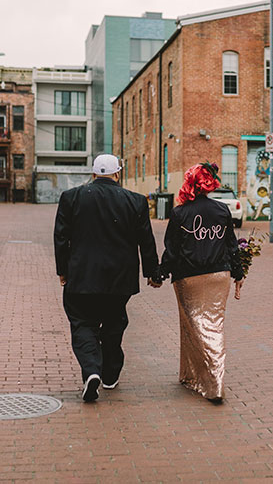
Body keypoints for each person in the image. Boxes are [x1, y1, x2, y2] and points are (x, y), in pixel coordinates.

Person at [54, 153, 162, 402]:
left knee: (83, 323)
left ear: (93, 174)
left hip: (82, 275)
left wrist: (63, 270)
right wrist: (152, 272)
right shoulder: (135, 201)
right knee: (114, 322)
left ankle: (92, 369)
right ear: (118, 174)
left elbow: (61, 236)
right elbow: (145, 240)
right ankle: (110, 374)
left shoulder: (71, 197)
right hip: (120, 278)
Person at [160, 163, 245, 404]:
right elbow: (231, 245)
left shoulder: (180, 213)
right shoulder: (222, 210)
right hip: (219, 276)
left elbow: (172, 250)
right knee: (211, 325)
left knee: (194, 326)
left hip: (189, 277)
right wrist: (238, 273)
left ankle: (214, 384)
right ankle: (192, 376)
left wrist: (160, 274)